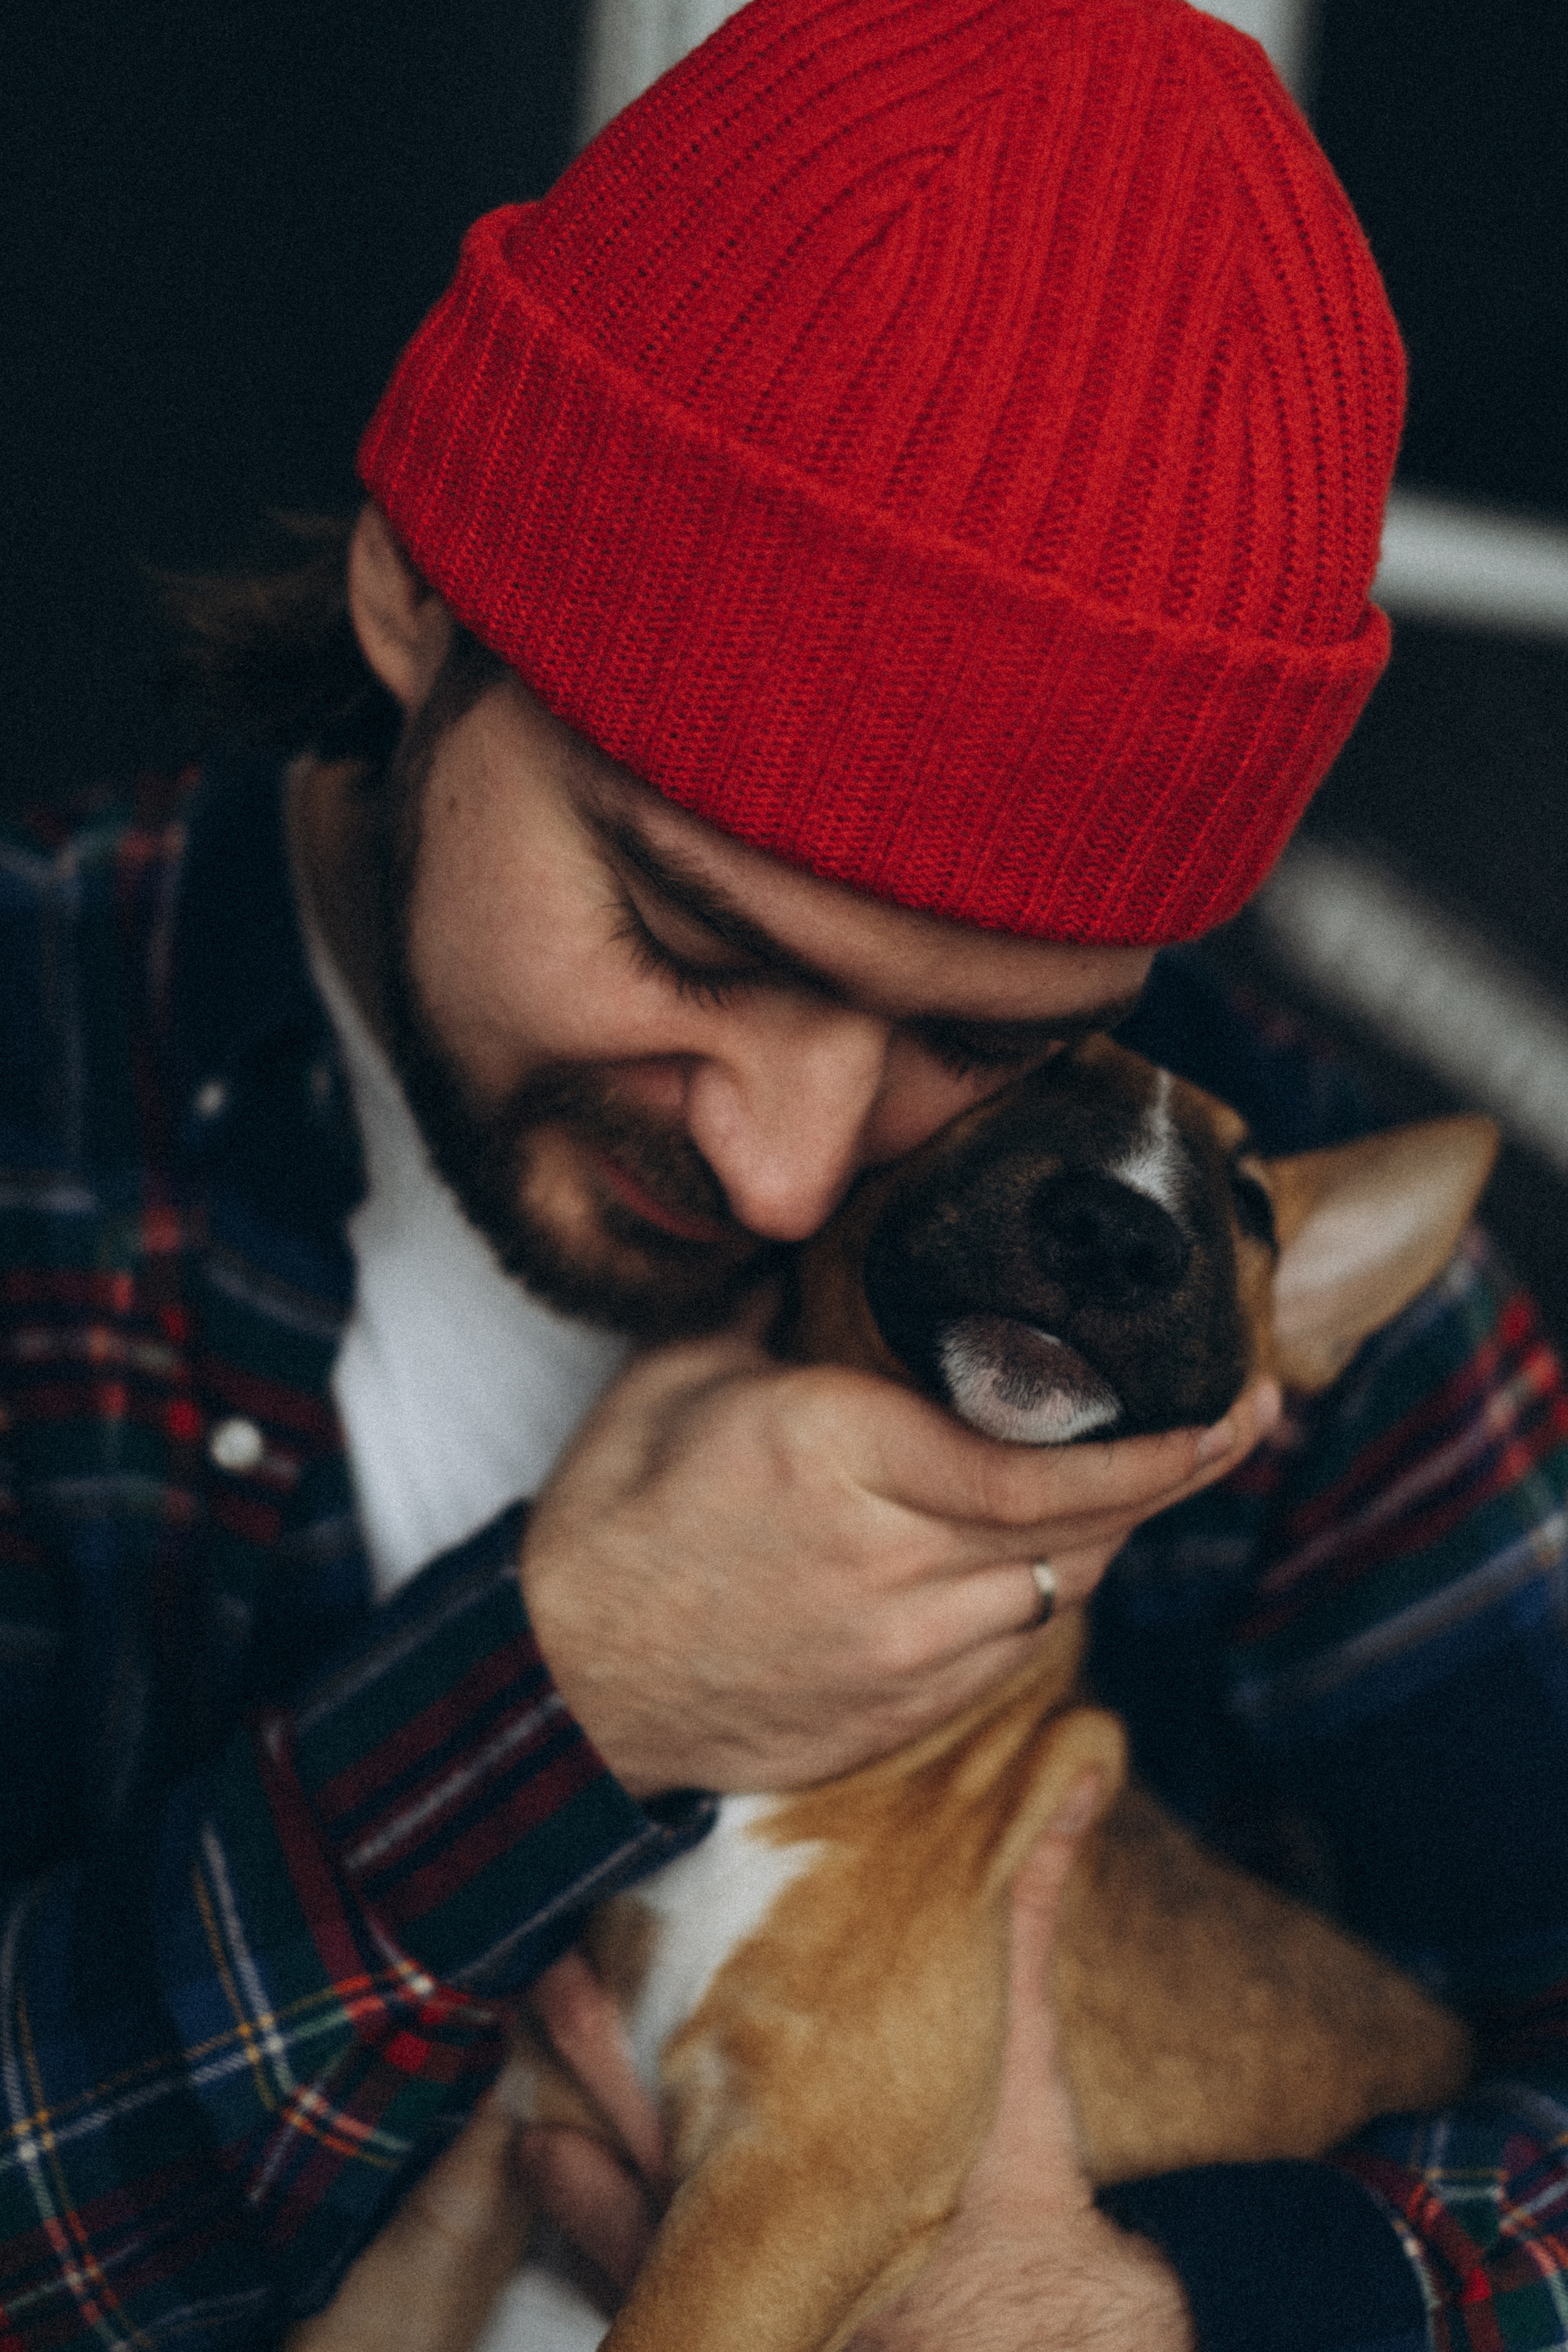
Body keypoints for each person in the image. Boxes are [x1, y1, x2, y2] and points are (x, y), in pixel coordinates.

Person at [1, 1, 1564, 2347]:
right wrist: (559, 1703)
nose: (786, 1164)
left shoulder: (1235, 1256)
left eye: (992, 1037)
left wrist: (1195, 2310)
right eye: (685, 930)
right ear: (422, 591)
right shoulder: (38, 1095)